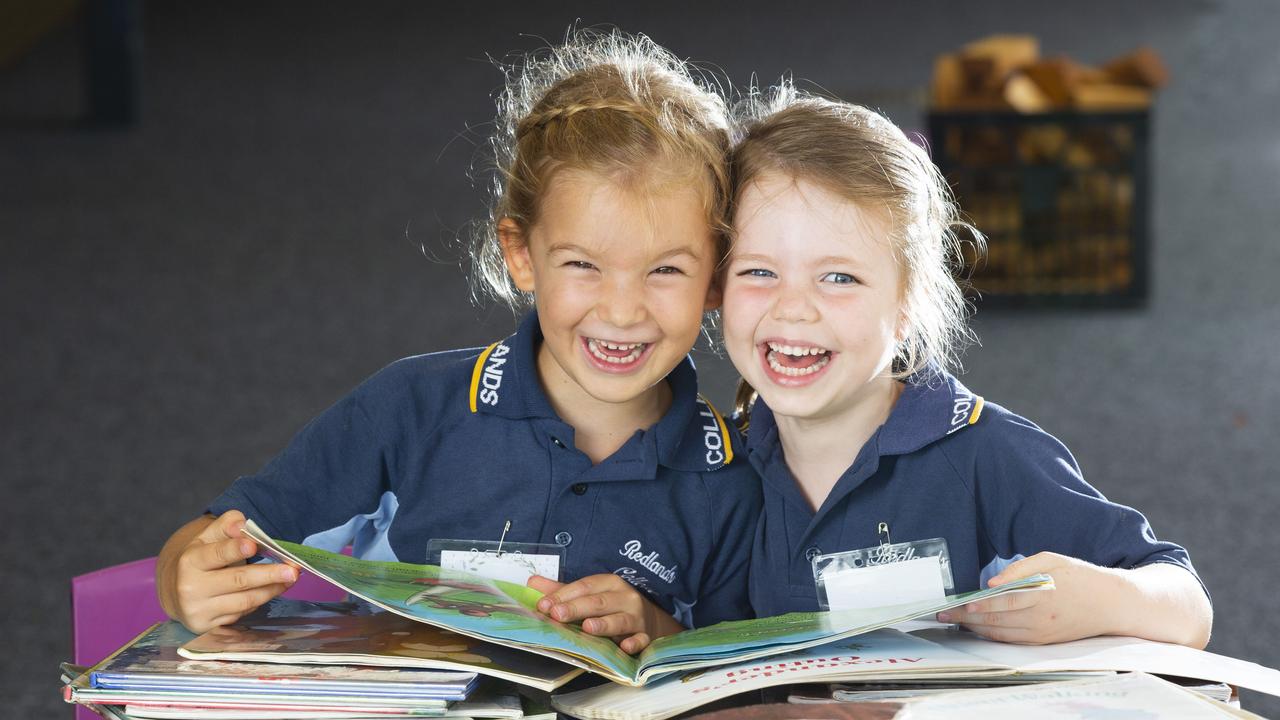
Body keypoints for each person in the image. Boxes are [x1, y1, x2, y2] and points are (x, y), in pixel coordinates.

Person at [156, 31, 760, 655]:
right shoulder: (407, 409)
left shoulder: (735, 480)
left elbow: (743, 673)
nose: (622, 309)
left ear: (715, 279)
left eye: (666, 270)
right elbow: (214, 537)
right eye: (583, 264)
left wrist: (659, 633)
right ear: (522, 256)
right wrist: (185, 582)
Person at [721, 85, 1212, 647]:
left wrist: (1099, 598)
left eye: (840, 278)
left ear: (907, 307)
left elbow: (1186, 605)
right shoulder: (715, 466)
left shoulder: (986, 454)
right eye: (758, 272)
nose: (793, 307)